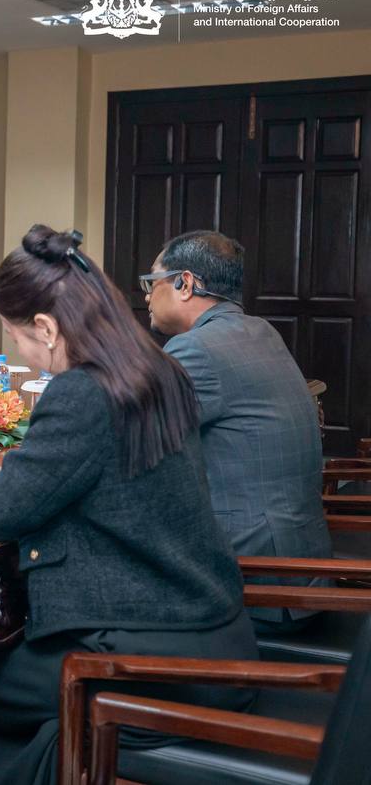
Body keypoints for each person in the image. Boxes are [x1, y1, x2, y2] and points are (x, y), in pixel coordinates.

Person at [0, 226, 255, 785]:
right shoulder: (155, 369)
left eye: (15, 336)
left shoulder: (83, 391)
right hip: (211, 631)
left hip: (149, 659)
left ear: (45, 327)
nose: (20, 350)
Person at [146, 230, 331, 633]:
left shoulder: (196, 348)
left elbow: (131, 440)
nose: (146, 296)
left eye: (152, 282)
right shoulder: (260, 331)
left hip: (259, 588)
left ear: (185, 283)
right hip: (301, 571)